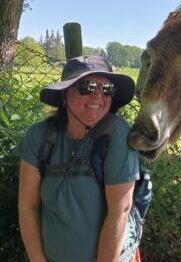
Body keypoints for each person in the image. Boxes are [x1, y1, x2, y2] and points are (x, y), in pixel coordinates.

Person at [15, 55, 141, 262]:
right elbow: (28, 207)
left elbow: (120, 211)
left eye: (107, 89)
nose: (97, 96)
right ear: (65, 95)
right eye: (87, 87)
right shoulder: (39, 136)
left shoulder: (115, 133)